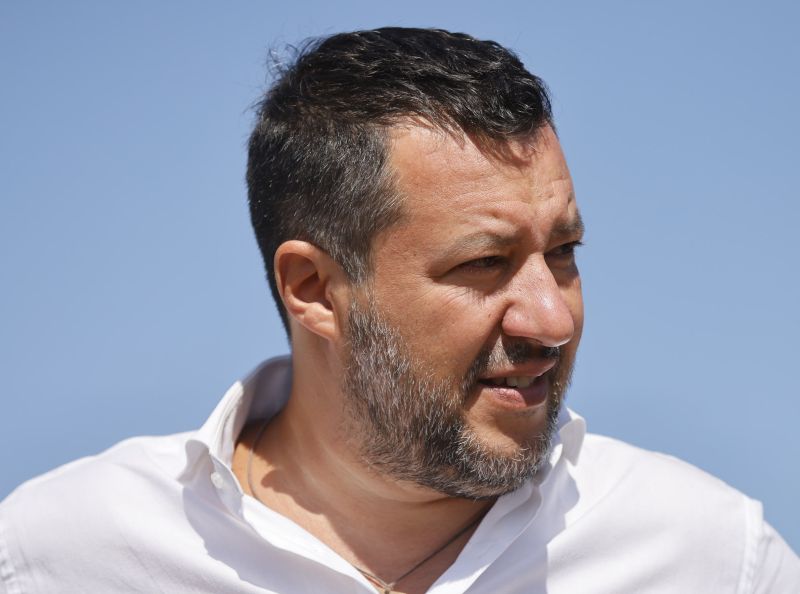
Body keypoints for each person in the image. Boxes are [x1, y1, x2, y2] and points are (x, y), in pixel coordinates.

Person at [0, 27, 797, 594]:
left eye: (563, 252)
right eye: (483, 264)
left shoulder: (710, 558)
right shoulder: (59, 556)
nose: (551, 320)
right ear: (314, 289)